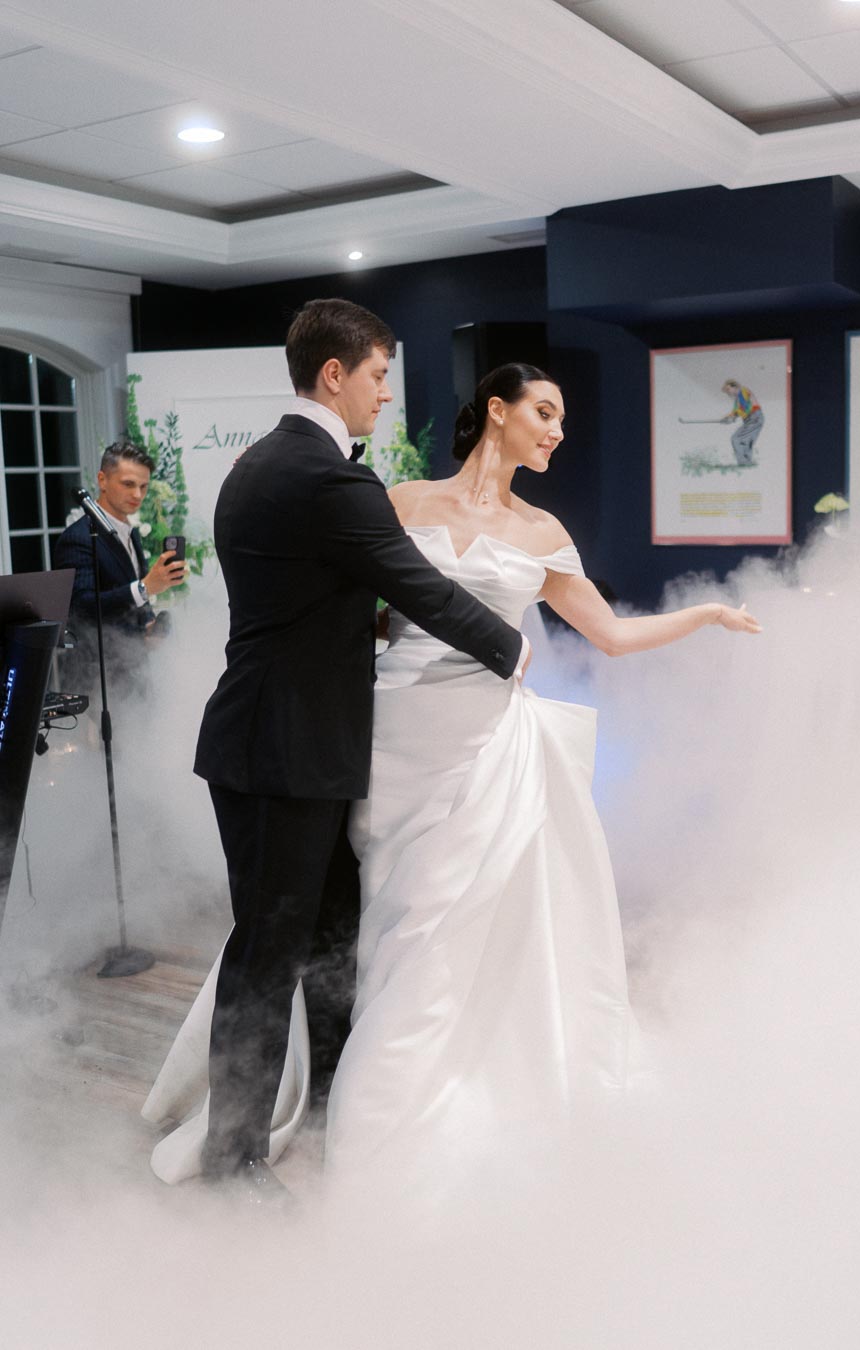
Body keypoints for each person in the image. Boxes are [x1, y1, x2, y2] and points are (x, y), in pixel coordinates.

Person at [144, 362, 759, 1198]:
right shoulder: (399, 501)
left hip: (474, 747)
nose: (557, 431)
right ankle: (295, 1094)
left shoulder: (543, 533)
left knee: (430, 929)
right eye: (545, 411)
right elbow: (354, 611)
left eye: (563, 419)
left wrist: (708, 615)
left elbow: (610, 635)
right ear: (496, 411)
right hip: (376, 737)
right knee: (328, 921)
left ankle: (396, 1102)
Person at [149, 300, 527, 1203]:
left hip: (278, 746)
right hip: (281, 754)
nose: (385, 396)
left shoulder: (258, 462)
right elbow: (422, 589)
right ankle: (233, 1157)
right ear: (336, 375)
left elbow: (320, 599)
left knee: (324, 939)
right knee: (267, 954)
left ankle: (320, 1104)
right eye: (379, 376)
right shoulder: (327, 480)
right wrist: (514, 652)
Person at [53, 441, 186, 689]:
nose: (138, 495)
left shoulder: (130, 533)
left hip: (134, 669)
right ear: (102, 480)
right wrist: (145, 587)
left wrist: (149, 625)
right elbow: (81, 607)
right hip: (98, 678)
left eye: (143, 486)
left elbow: (129, 597)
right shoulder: (77, 538)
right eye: (128, 484)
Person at [720, 379, 764, 466]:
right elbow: (737, 411)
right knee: (746, 441)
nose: (728, 392)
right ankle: (747, 463)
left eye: (728, 389)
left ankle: (743, 462)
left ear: (735, 386)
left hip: (754, 418)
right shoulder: (738, 398)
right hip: (753, 419)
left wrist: (732, 417)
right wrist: (728, 417)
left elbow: (744, 407)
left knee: (736, 439)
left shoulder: (742, 391)